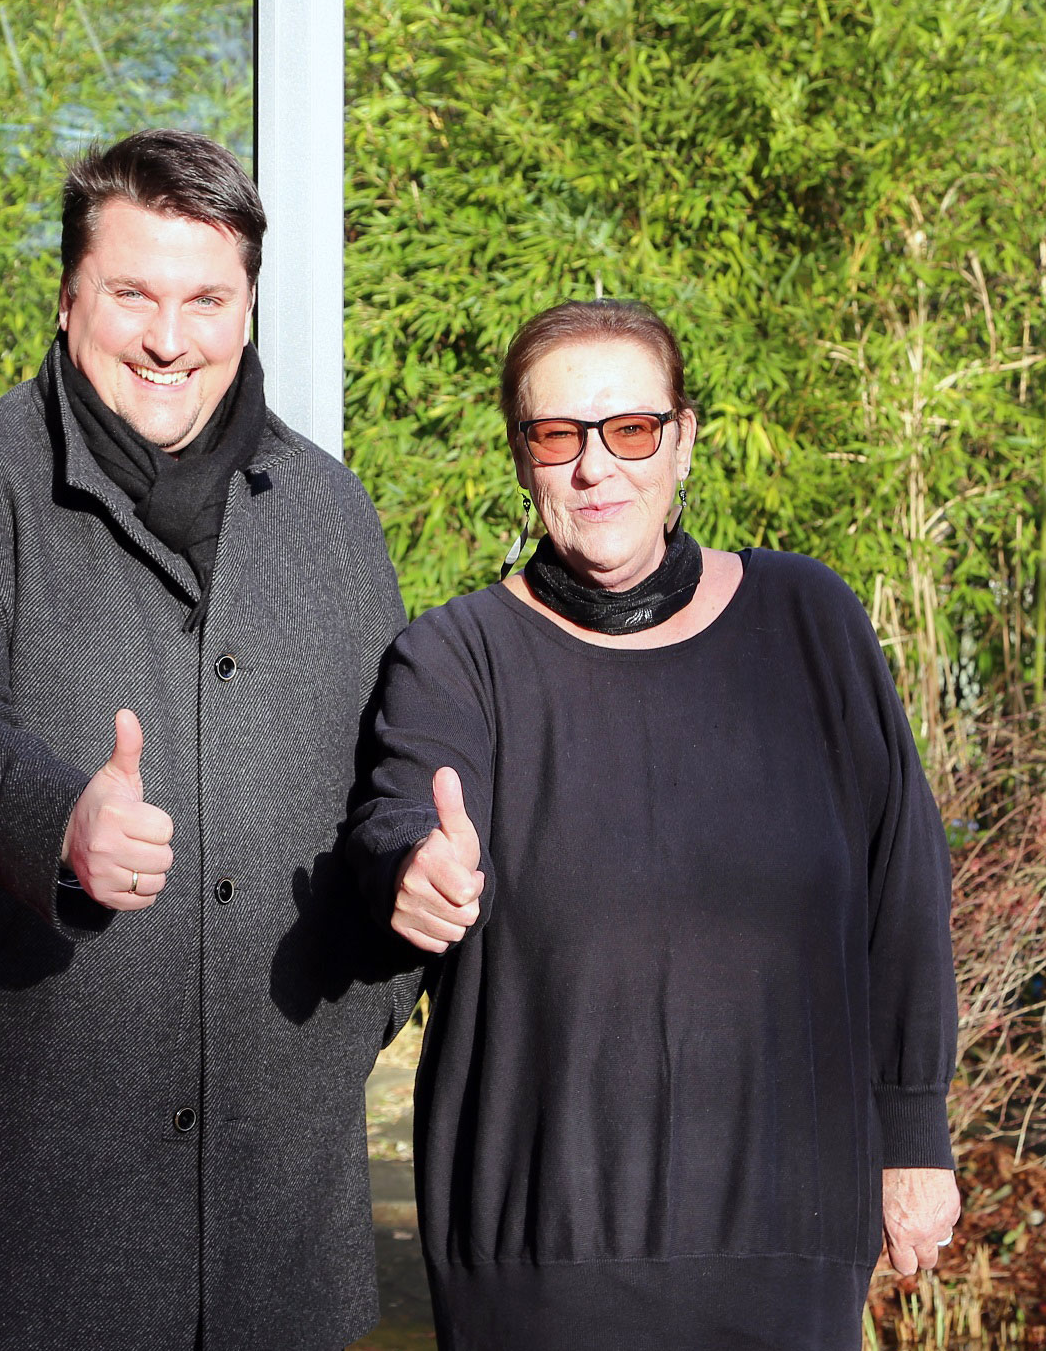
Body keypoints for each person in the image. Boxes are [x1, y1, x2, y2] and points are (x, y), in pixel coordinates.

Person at [0, 129, 419, 1351]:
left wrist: (373, 987)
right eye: (132, 293)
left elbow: (382, 780)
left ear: (245, 307)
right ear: (69, 293)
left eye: (205, 298)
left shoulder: (329, 512)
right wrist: (60, 823)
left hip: (266, 1236)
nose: (166, 335)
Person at [347, 299, 961, 1350]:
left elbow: (899, 881)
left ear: (681, 439)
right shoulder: (456, 654)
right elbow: (400, 808)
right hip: (540, 1254)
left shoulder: (809, 620)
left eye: (628, 429)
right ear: (520, 456)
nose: (596, 467)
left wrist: (912, 1132)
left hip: (788, 1236)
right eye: (557, 435)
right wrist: (410, 866)